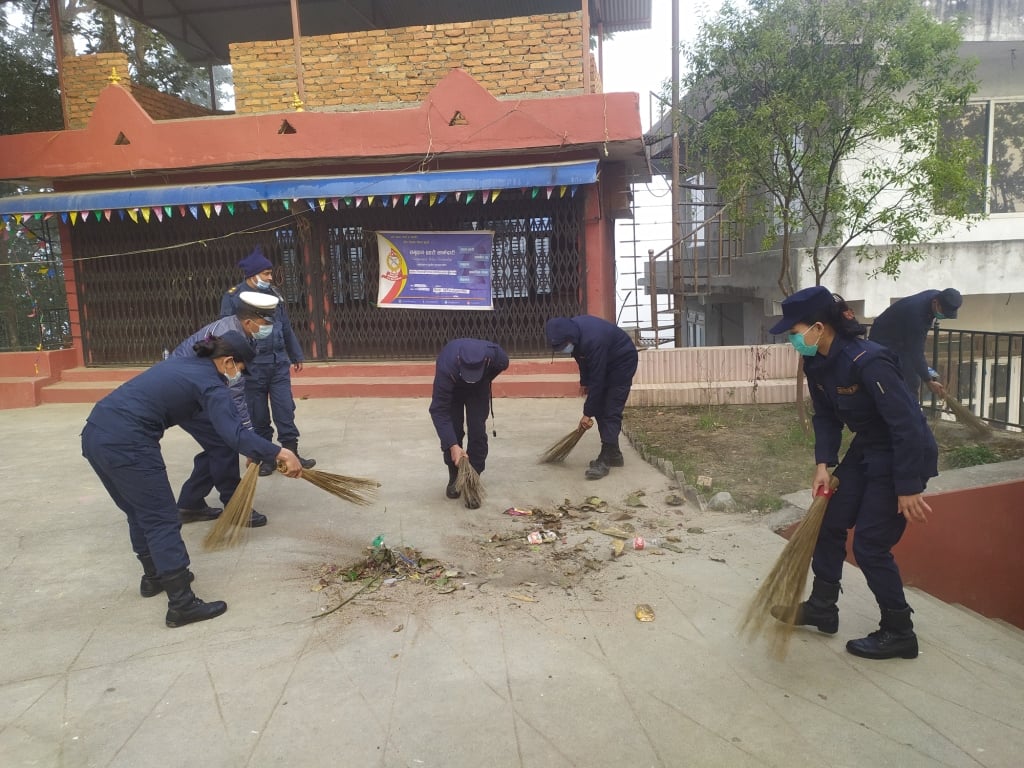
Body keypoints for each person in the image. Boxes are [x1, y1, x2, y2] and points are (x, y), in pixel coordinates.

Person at [81, 332, 303, 628]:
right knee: (161, 519)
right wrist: (279, 451)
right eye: (240, 368)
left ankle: (154, 577)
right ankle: (182, 605)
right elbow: (232, 435)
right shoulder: (210, 383)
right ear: (227, 361)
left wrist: (255, 448)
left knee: (139, 511)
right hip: (129, 444)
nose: (239, 375)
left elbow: (227, 432)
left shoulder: (185, 365)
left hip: (96, 433)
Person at [769, 286, 938, 660]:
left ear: (818, 326)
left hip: (903, 453)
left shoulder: (869, 361)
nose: (793, 341)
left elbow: (907, 424)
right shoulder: (818, 362)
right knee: (828, 521)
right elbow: (826, 416)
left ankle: (899, 631)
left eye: (794, 333)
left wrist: (907, 485)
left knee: (870, 545)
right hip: (869, 448)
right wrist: (823, 465)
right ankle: (823, 608)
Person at [173, 291, 279, 528]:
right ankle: (235, 506)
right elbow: (235, 392)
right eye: (266, 323)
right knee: (224, 443)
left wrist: (247, 436)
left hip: (198, 390)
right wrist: (246, 438)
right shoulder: (225, 339)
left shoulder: (241, 333)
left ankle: (190, 504)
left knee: (217, 445)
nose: (268, 328)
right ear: (250, 321)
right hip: (186, 394)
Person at [221, 246, 315, 476]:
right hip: (253, 366)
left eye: (270, 273)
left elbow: (285, 326)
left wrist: (296, 354)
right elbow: (227, 331)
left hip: (278, 362)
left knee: (285, 409)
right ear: (252, 275)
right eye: (266, 273)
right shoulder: (234, 297)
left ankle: (291, 451)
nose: (270, 277)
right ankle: (268, 459)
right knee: (258, 413)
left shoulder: (275, 294)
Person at [545, 315, 638, 479]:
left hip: (622, 361)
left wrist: (587, 413)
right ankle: (614, 454)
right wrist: (584, 383)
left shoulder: (593, 340)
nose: (563, 349)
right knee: (600, 408)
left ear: (569, 339)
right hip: (605, 361)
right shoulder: (574, 336)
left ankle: (605, 458)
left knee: (610, 409)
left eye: (563, 346)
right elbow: (583, 361)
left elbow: (598, 379)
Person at [428, 338, 510, 508]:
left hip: (479, 388)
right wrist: (452, 445)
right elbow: (439, 410)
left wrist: (485, 378)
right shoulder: (446, 366)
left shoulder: (495, 355)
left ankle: (473, 480)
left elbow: (503, 364)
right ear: (459, 362)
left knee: (477, 430)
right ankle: (455, 476)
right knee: (454, 431)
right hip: (454, 389)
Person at [868, 288, 962, 402]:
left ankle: (909, 409)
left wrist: (927, 375)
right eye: (943, 312)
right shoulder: (917, 314)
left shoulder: (936, 297)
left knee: (911, 376)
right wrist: (928, 381)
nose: (943, 315)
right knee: (909, 380)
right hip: (883, 339)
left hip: (900, 338)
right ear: (935, 302)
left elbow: (916, 347)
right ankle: (909, 412)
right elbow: (916, 350)